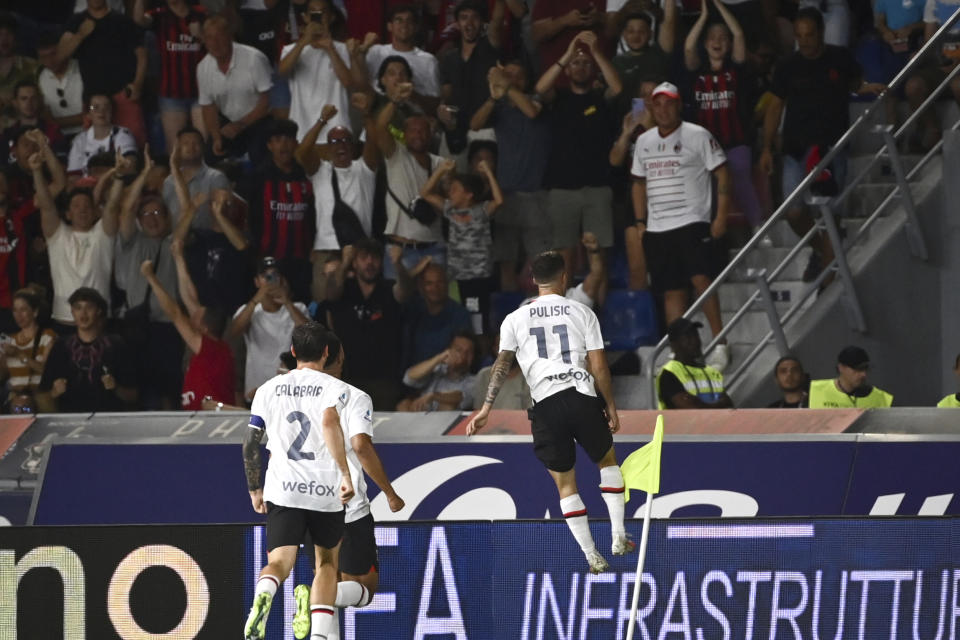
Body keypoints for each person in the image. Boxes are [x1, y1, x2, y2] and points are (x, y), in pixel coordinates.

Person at [467, 251, 632, 574]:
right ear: (564, 277)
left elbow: (502, 364)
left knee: (566, 486)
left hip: (544, 404)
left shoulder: (515, 318)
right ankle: (618, 534)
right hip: (581, 393)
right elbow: (598, 364)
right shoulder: (582, 312)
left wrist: (486, 407)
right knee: (607, 461)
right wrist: (610, 405)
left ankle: (591, 555)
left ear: (533, 280)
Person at [241, 321, 354, 640]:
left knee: (279, 562)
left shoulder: (267, 390)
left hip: (283, 488)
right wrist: (345, 474)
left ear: (293, 352)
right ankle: (318, 636)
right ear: (327, 352)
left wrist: (255, 489)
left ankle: (264, 595)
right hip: (324, 490)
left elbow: (250, 443)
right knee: (327, 563)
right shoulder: (336, 388)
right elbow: (330, 424)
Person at [291, 329, 406, 640]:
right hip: (346, 505)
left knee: (327, 574)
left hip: (305, 500)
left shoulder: (292, 398)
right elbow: (361, 446)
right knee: (364, 588)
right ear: (335, 356)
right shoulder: (353, 396)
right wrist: (390, 493)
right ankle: (317, 602)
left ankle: (319, 628)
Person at [758, 8, 884, 284]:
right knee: (793, 212)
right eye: (800, 36)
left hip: (832, 149)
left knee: (831, 215)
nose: (804, 41)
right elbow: (775, 105)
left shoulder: (839, 58)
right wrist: (767, 147)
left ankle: (828, 284)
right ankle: (822, 252)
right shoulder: (788, 65)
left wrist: (864, 88)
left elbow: (854, 82)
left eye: (809, 35)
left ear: (821, 33)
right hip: (796, 150)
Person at [631, 81, 732, 371]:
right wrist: (640, 223)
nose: (663, 109)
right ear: (651, 106)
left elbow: (723, 174)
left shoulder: (698, 135)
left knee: (701, 281)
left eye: (669, 103)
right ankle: (679, 352)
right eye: (657, 103)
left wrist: (721, 216)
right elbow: (638, 183)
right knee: (671, 289)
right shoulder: (644, 141)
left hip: (692, 220)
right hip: (658, 227)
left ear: (679, 105)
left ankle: (721, 343)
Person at [536, 30, 621, 285]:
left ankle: (597, 315)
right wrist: (568, 53)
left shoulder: (600, 97)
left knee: (598, 255)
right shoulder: (558, 97)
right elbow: (540, 88)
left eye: (586, 64)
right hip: (562, 188)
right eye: (576, 63)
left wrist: (595, 52)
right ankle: (565, 315)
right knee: (563, 256)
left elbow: (617, 87)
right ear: (567, 70)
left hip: (597, 186)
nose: (581, 67)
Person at [469, 59, 552, 292]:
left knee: (541, 265)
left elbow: (530, 112)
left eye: (518, 76)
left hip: (536, 195)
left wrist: (505, 84)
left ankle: (540, 316)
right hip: (505, 195)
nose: (512, 80)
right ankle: (509, 318)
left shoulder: (538, 99)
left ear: (527, 80)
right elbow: (474, 124)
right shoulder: (500, 108)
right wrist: (493, 97)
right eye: (508, 75)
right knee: (506, 262)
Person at [683, 0, 763, 235]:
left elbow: (738, 33)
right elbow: (688, 48)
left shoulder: (735, 70)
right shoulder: (698, 72)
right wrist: (704, 16)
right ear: (705, 44)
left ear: (728, 45)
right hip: (705, 146)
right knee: (706, 190)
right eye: (712, 38)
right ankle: (711, 234)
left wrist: (718, 4)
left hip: (736, 141)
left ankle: (758, 226)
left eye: (722, 38)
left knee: (740, 180)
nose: (717, 42)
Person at [295, 98, 379, 301]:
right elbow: (301, 152)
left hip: (359, 251)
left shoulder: (364, 169)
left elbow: (374, 142)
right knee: (325, 307)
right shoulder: (320, 170)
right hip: (326, 250)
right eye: (333, 141)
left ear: (352, 145)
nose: (340, 145)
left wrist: (367, 115)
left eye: (345, 140)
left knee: (360, 306)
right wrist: (322, 120)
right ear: (327, 147)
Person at [325, 239, 422, 411]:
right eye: (363, 258)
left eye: (374, 258)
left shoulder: (388, 288)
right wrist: (345, 262)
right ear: (355, 262)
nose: (370, 262)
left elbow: (405, 291)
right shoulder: (345, 289)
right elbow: (331, 292)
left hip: (384, 380)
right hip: (349, 377)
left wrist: (398, 264)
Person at [141, 239, 235, 411]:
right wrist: (178, 258)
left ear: (204, 328)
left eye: (195, 317)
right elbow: (189, 298)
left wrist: (151, 277)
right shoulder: (216, 347)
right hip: (198, 418)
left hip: (214, 421)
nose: (191, 317)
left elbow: (175, 314)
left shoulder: (211, 349)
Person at [33, 146, 119, 331]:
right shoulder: (57, 235)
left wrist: (118, 177)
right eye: (76, 206)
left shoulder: (102, 234)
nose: (82, 209)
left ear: (96, 212)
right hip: (64, 320)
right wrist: (36, 171)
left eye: (87, 205)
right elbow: (46, 205)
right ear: (68, 214)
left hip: (100, 321)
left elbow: (112, 207)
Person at [419, 157, 503, 333]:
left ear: (469, 194)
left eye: (455, 189)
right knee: (459, 319)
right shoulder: (450, 209)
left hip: (479, 277)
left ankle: (481, 354)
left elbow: (499, 201)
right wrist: (441, 171)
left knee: (479, 323)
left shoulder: (482, 210)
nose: (450, 193)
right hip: (456, 277)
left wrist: (488, 173)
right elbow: (425, 193)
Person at [374, 86, 446, 278]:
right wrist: (395, 101)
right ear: (404, 135)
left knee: (435, 304)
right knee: (398, 304)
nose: (418, 135)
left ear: (430, 135)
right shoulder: (395, 154)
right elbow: (379, 126)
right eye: (412, 131)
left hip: (434, 248)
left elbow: (449, 204)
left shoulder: (441, 164)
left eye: (423, 131)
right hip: (400, 248)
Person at [243, 118, 317, 302]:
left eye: (288, 139)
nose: (283, 144)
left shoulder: (308, 176)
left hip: (302, 261)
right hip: (269, 262)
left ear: (296, 143)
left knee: (301, 310)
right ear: (269, 145)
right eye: (277, 139)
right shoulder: (257, 178)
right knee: (272, 306)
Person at [57, 0, 148, 144]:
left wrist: (138, 84)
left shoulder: (122, 20)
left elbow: (142, 55)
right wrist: (80, 35)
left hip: (124, 95)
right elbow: (60, 56)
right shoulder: (77, 21)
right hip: (93, 100)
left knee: (133, 141)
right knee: (95, 147)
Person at [36, 287, 137, 413]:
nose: (83, 314)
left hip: (108, 420)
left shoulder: (116, 344)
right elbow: (42, 395)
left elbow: (134, 395)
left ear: (98, 311)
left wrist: (116, 388)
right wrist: (53, 393)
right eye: (78, 308)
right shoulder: (60, 346)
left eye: (89, 307)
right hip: (69, 421)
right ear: (72, 312)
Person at [279, 0, 366, 138]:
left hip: (336, 126)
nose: (317, 15)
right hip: (302, 127)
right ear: (305, 18)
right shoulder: (291, 50)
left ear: (331, 18)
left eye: (323, 12)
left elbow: (349, 83)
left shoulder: (342, 48)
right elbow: (282, 72)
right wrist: (304, 41)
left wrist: (330, 48)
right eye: (313, 12)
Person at [230, 256, 310, 402]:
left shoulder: (298, 308)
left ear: (282, 280)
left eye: (275, 275)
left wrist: (287, 302)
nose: (270, 280)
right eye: (265, 276)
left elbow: (310, 337)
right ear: (256, 282)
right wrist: (256, 300)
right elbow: (233, 333)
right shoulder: (249, 310)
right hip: (257, 394)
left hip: (289, 395)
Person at [197, 14, 273, 166]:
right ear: (204, 41)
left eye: (219, 37)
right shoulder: (203, 67)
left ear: (230, 37)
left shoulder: (253, 59)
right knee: (210, 155)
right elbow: (208, 107)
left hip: (259, 119)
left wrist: (241, 125)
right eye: (210, 38)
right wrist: (216, 136)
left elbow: (267, 100)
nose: (215, 43)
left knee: (258, 153)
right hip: (229, 121)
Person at [133, 0, 209, 152]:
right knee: (175, 149)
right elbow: (139, 21)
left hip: (202, 91)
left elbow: (219, 46)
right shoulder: (159, 15)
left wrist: (201, 35)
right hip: (171, 93)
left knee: (204, 146)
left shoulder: (201, 14)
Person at [437, 0, 505, 153]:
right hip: (455, 131)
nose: (469, 22)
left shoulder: (490, 46)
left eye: (475, 17)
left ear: (482, 23)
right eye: (464, 17)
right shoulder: (450, 58)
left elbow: (498, 20)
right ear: (457, 23)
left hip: (485, 130)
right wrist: (442, 110)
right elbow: (446, 96)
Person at [365, 4, 441, 112]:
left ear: (416, 27)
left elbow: (435, 104)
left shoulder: (429, 61)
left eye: (409, 21)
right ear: (389, 26)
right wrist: (361, 50)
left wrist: (413, 95)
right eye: (399, 20)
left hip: (413, 124)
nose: (404, 25)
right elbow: (359, 83)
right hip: (379, 121)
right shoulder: (375, 52)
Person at [402, 263, 472, 368]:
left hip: (446, 378)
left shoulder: (460, 314)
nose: (435, 287)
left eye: (440, 282)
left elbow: (463, 353)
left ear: (447, 285)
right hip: (414, 376)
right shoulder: (412, 309)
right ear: (421, 287)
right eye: (429, 283)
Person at [161, 126, 231, 229]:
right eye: (186, 143)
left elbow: (223, 216)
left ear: (203, 147)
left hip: (207, 239)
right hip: (175, 239)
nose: (191, 147)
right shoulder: (169, 181)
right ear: (177, 148)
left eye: (196, 143)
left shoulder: (216, 177)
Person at [656, 317, 733, 409]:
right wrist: (718, 405)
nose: (695, 341)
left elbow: (729, 405)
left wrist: (700, 403)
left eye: (696, 335)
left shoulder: (711, 372)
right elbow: (690, 409)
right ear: (674, 345)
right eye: (688, 337)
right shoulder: (669, 373)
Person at [398, 330, 476, 412]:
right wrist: (439, 358)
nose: (462, 356)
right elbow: (409, 378)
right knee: (404, 404)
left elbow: (460, 397)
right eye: (458, 350)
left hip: (448, 421)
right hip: (421, 416)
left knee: (447, 406)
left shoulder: (474, 380)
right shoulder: (437, 369)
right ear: (449, 350)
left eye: (468, 352)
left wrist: (434, 396)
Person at [0, 287, 56, 399]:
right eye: (15, 310)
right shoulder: (9, 340)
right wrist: (2, 358)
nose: (18, 315)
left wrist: (20, 355)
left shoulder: (48, 336)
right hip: (15, 397)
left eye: (23, 310)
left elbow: (48, 371)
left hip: (39, 396)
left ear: (35, 312)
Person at [65, 93, 138, 178]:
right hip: (86, 186)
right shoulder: (79, 140)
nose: (101, 111)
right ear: (88, 113)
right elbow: (74, 176)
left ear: (112, 112)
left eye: (107, 107)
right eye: (95, 107)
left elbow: (130, 167)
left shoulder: (123, 134)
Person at [35, 29, 85, 140]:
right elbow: (46, 114)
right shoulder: (42, 78)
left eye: (53, 54)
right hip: (58, 137)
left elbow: (92, 110)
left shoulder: (82, 69)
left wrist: (57, 122)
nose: (49, 61)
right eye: (44, 57)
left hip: (87, 132)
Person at [809, 346, 894, 408]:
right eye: (858, 369)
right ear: (841, 367)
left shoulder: (881, 398)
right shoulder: (815, 390)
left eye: (865, 369)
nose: (863, 374)